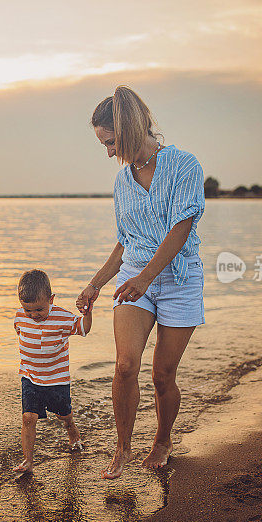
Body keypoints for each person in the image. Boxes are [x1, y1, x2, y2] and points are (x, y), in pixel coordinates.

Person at [76, 86, 205, 480]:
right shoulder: (122, 183)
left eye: (111, 142)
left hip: (178, 280)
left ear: (130, 129)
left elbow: (182, 227)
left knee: (162, 375)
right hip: (135, 279)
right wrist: (96, 283)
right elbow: (126, 240)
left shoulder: (184, 165)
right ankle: (123, 446)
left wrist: (147, 278)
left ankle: (162, 440)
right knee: (125, 365)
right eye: (104, 145)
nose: (110, 153)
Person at [14, 269, 92, 474]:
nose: (33, 315)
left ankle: (72, 430)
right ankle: (28, 461)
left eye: (39, 310)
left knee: (63, 415)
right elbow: (20, 331)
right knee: (28, 418)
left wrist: (87, 312)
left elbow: (84, 329)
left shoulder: (63, 318)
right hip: (30, 377)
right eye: (28, 310)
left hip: (56, 379)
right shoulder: (20, 316)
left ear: (51, 299)